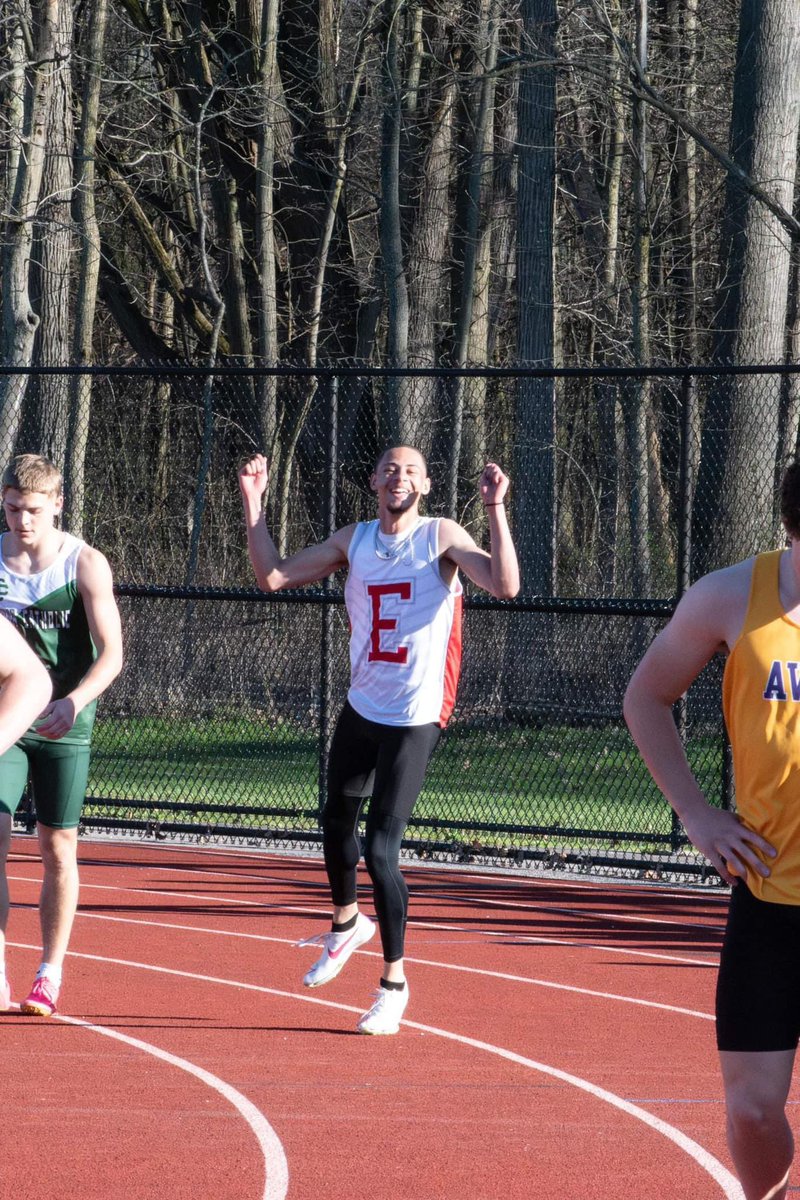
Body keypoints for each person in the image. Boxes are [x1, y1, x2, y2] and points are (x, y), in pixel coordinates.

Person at [239, 445, 519, 1034]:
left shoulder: (440, 535)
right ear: (373, 480)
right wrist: (253, 502)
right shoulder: (356, 540)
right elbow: (272, 576)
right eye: (390, 469)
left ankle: (393, 984)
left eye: (411, 470)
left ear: (427, 484)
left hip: (416, 714)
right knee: (334, 819)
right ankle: (347, 923)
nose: (399, 477)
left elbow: (504, 585)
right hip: (364, 705)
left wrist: (495, 508)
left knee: (381, 849)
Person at [623, 459, 800, 1200]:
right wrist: (696, 813)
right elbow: (647, 696)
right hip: (771, 893)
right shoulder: (730, 596)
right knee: (753, 1111)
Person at [0, 454, 123, 1017]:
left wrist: (74, 701)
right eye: (11, 509)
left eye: (32, 509)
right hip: (7, 721)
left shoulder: (84, 563)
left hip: (62, 723)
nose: (21, 520)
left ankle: (49, 971)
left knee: (57, 845)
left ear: (57, 504)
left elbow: (113, 654)